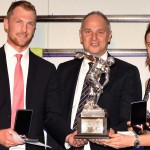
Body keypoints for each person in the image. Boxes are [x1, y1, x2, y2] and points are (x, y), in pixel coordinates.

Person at [47, 11, 142, 150]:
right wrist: (68, 136)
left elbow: (129, 120)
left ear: (109, 36)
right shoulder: (63, 70)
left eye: (100, 32)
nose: (94, 37)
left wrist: (111, 132)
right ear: (80, 35)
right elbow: (52, 113)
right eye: (88, 31)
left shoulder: (127, 72)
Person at [0, 1, 87, 150]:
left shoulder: (46, 70)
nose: (24, 29)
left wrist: (68, 136)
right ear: (6, 24)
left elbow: (51, 115)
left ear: (34, 28)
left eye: (30, 24)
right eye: (19, 22)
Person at [96, 23, 150, 149]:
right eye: (149, 44)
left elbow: (136, 140)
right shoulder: (148, 83)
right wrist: (138, 128)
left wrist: (133, 140)